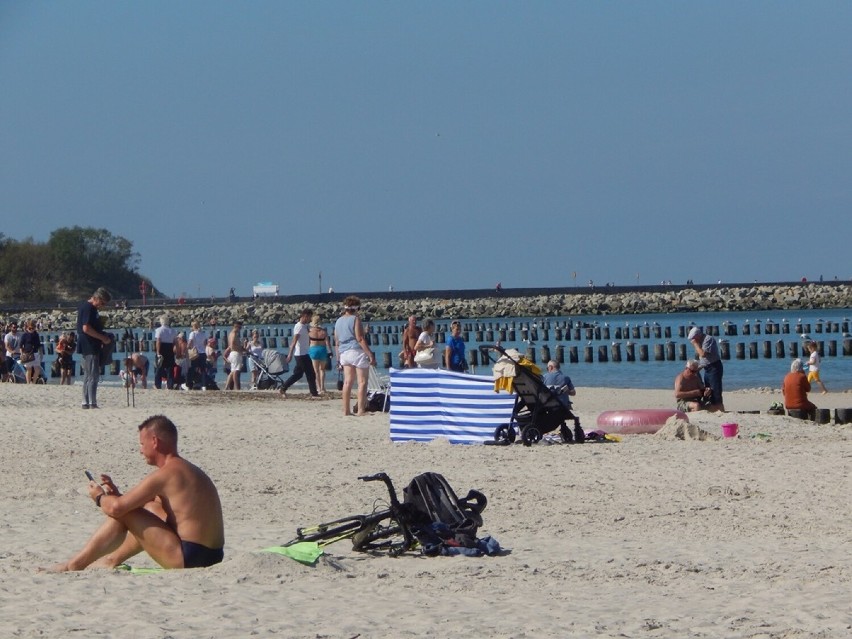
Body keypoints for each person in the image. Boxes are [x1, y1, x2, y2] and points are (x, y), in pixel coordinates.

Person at [51, 415, 224, 571]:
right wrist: (117, 495)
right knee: (150, 507)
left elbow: (117, 509)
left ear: (154, 441)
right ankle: (112, 560)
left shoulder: (165, 474)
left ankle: (74, 565)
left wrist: (99, 497)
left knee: (125, 511)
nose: (140, 450)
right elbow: (139, 505)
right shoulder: (186, 469)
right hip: (213, 556)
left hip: (189, 558)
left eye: (142, 444)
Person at [334, 296, 375, 416]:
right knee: (362, 382)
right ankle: (361, 410)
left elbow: (337, 342)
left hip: (344, 353)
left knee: (348, 382)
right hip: (356, 351)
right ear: (357, 308)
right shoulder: (355, 319)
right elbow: (360, 338)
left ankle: (346, 410)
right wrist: (370, 354)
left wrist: (338, 359)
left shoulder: (338, 321)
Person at [76, 287, 112, 408]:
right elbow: (86, 328)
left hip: (90, 343)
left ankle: (86, 401)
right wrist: (102, 338)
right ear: (96, 298)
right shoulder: (88, 307)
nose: (101, 306)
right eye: (102, 303)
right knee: (93, 374)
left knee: (88, 374)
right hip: (89, 343)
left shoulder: (91, 308)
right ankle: (91, 402)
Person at [280, 308, 319, 397]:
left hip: (305, 353)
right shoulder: (299, 327)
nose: (310, 319)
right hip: (301, 355)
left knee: (298, 374)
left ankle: (283, 387)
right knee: (310, 373)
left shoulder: (305, 326)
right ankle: (314, 393)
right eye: (309, 317)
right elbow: (294, 341)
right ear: (305, 316)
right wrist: (289, 354)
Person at [688, 326, 725, 412]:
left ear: (697, 335)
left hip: (714, 367)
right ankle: (713, 408)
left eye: (693, 338)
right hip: (707, 368)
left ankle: (720, 409)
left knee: (715, 391)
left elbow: (703, 354)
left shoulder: (708, 339)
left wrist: (695, 344)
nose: (692, 341)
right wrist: (696, 369)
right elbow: (703, 360)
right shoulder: (700, 341)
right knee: (708, 390)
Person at [308, 314, 332, 393]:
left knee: (316, 370)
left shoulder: (310, 331)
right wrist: (330, 352)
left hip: (313, 349)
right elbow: (328, 343)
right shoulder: (324, 332)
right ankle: (322, 387)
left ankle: (318, 387)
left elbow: (308, 342)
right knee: (322, 369)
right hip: (322, 349)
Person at [154, 315, 177, 390]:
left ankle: (158, 385)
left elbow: (158, 341)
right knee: (170, 368)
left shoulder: (159, 330)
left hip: (162, 348)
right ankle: (170, 385)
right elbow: (174, 342)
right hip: (170, 348)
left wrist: (158, 352)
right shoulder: (173, 330)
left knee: (159, 367)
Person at [19, 319, 44, 384]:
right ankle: (28, 383)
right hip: (27, 353)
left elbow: (39, 345)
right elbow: (21, 345)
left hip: (35, 353)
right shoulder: (24, 335)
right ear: (27, 328)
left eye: (33, 328)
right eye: (30, 328)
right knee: (29, 369)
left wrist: (41, 354)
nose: (31, 330)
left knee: (37, 369)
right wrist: (21, 354)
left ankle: (33, 382)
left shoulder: (36, 334)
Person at [187, 320, 208, 390]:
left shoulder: (192, 334)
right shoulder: (203, 334)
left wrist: (187, 349)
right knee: (203, 370)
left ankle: (189, 384)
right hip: (203, 353)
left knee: (192, 369)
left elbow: (190, 343)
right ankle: (204, 385)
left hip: (195, 353)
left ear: (193, 326)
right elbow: (205, 344)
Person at [225, 320, 244, 390]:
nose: (240, 329)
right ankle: (237, 388)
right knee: (236, 371)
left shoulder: (231, 333)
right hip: (235, 353)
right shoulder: (234, 333)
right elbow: (232, 344)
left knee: (232, 371)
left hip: (233, 353)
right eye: (239, 328)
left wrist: (243, 349)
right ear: (236, 326)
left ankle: (226, 387)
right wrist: (239, 350)